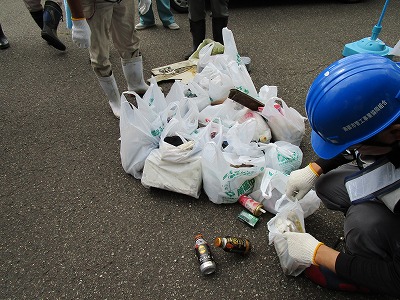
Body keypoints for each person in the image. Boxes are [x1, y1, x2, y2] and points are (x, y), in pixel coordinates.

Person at [281, 53, 400, 298]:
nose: (353, 150)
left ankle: (369, 266)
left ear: (393, 133)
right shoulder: (392, 97)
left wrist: (320, 254)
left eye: (357, 146)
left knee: (362, 224)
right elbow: (361, 138)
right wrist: (314, 169)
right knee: (326, 184)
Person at [65, 0, 151, 118]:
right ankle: (115, 101)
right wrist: (78, 19)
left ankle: (136, 84)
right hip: (95, 3)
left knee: (129, 41)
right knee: (100, 53)